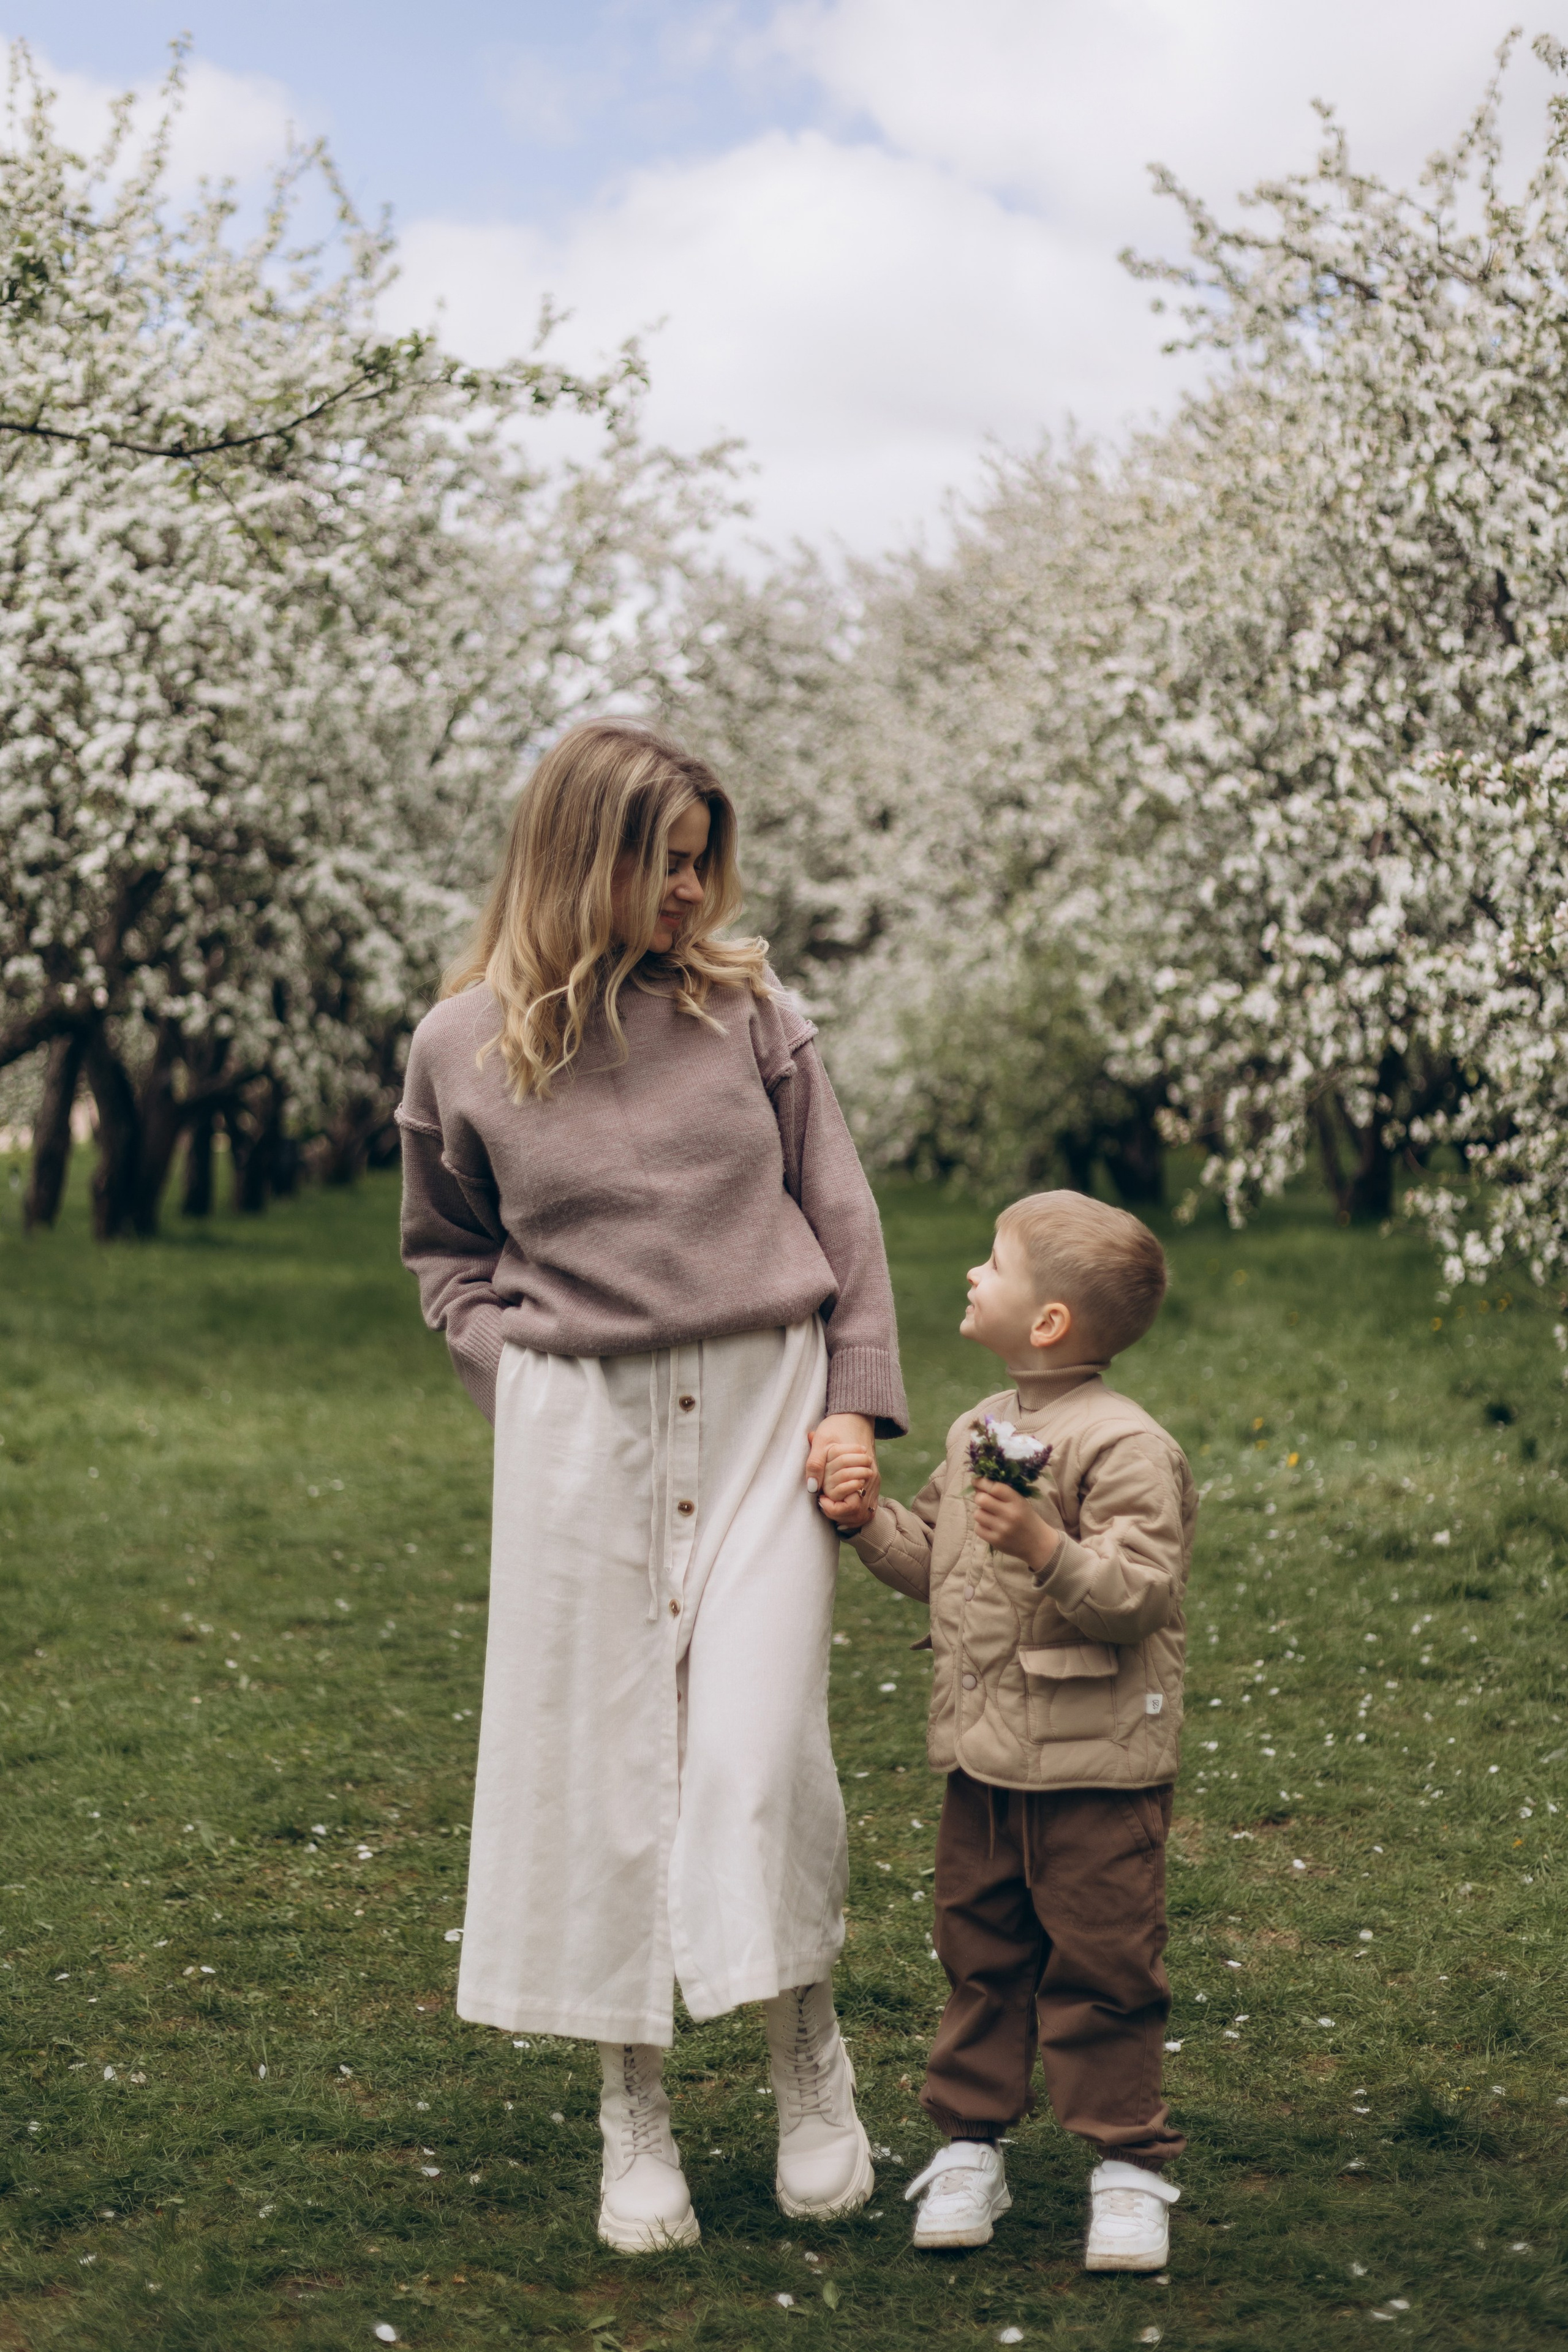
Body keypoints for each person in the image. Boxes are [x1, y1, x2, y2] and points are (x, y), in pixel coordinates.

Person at [396, 718, 907, 2253]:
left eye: (702, 861)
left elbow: (843, 1211)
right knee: (607, 1778)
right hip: (585, 1432)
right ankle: (636, 2115)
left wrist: (856, 1410)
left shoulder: (750, 1010)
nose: (690, 892)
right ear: (580, 857)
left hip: (763, 1411)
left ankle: (807, 2061)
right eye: (661, 861)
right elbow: (445, 1254)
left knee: (756, 1755)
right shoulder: (459, 1043)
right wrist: (527, 1382)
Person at [824, 1190, 1195, 2272]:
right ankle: (970, 2146)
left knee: (1104, 1966)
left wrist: (1043, 1545)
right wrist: (864, 1522)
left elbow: (1136, 1595)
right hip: (984, 1767)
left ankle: (1126, 2165)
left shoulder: (1125, 1445)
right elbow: (934, 1553)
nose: (973, 1275)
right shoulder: (981, 1429)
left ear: (1049, 1324)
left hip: (1096, 1774)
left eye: (994, 1263)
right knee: (980, 1957)